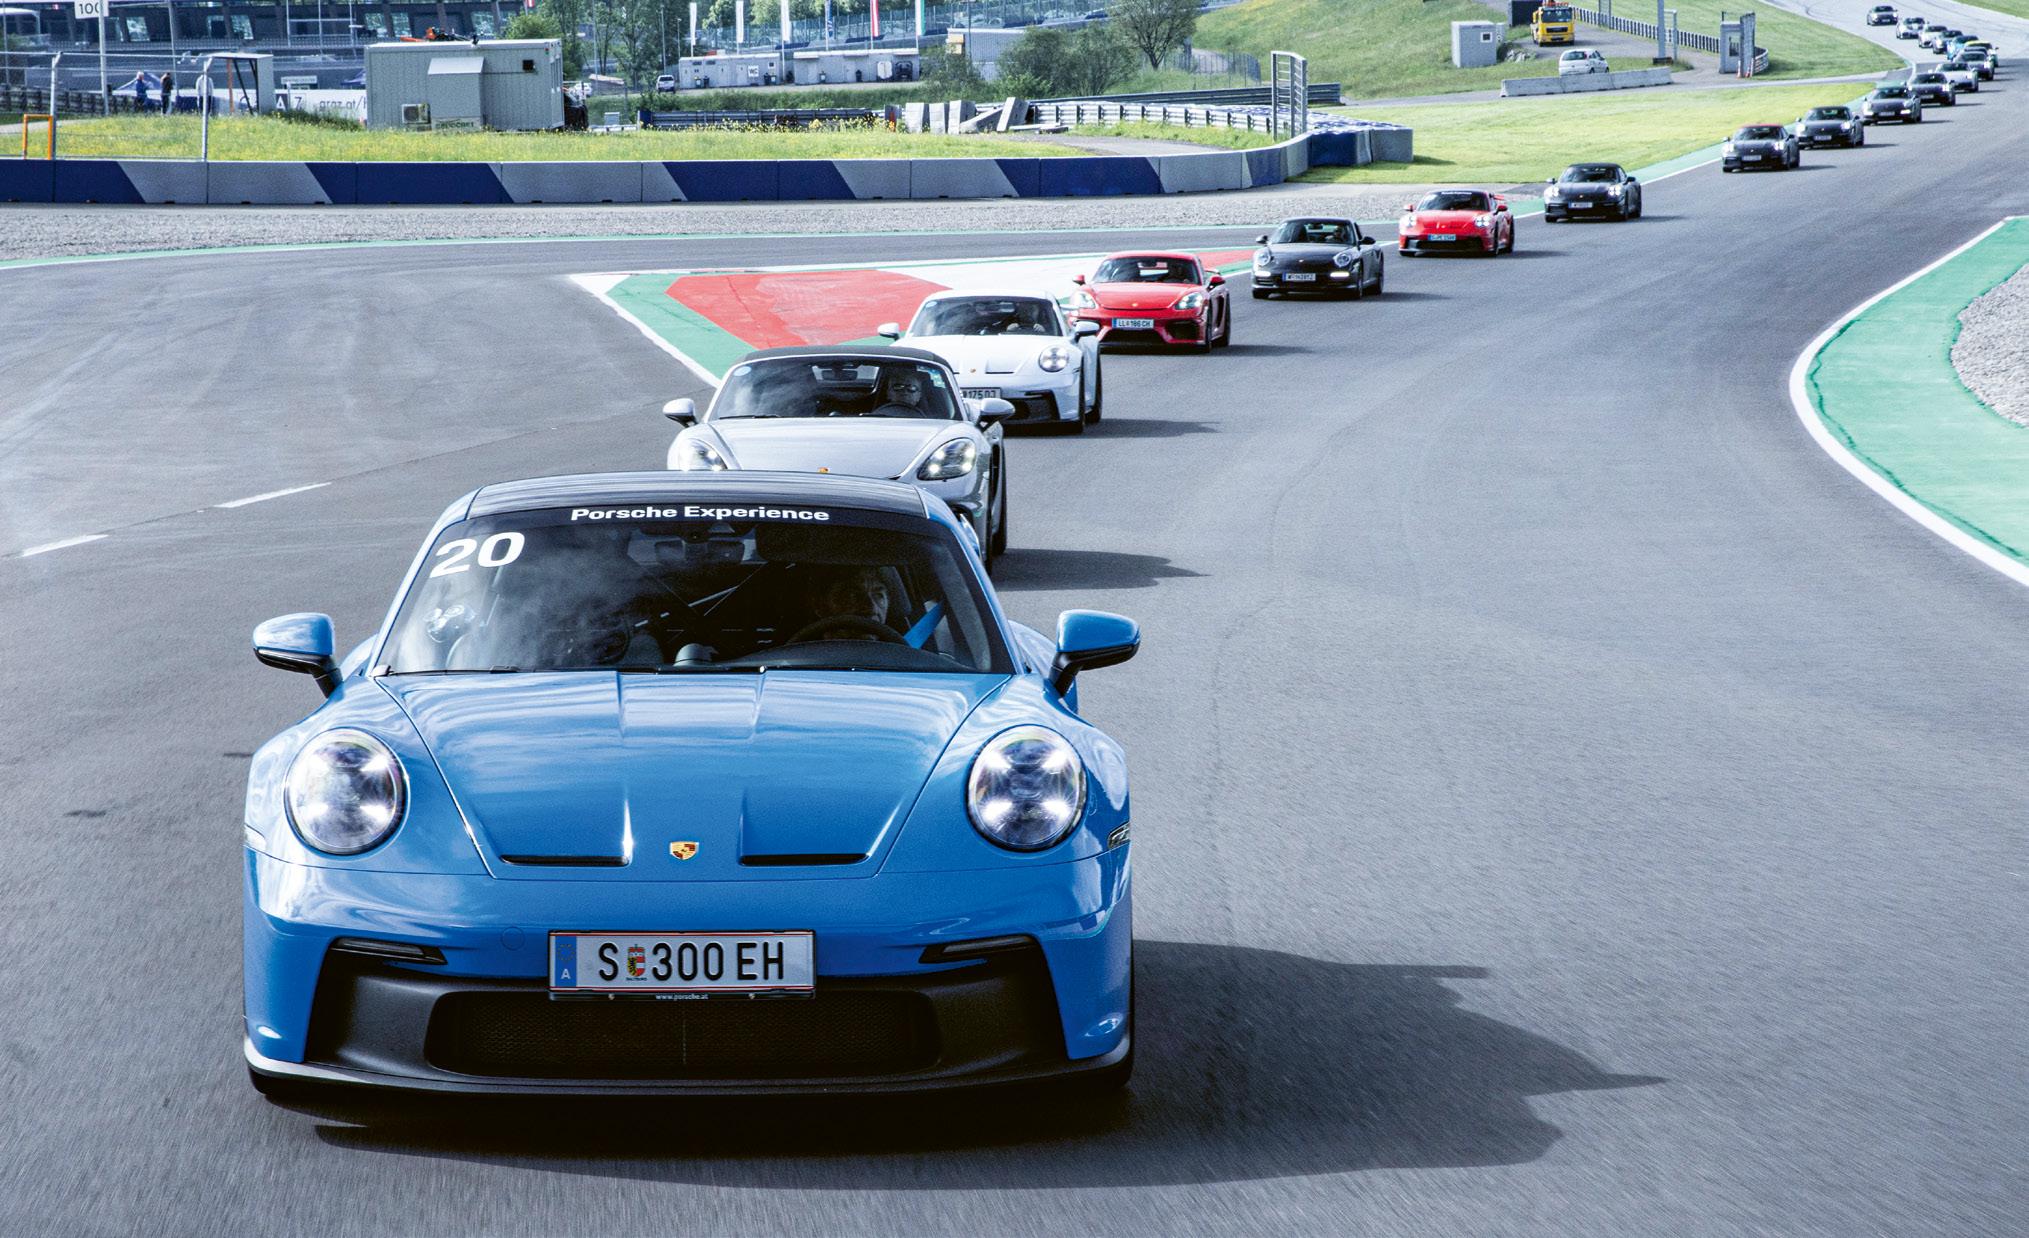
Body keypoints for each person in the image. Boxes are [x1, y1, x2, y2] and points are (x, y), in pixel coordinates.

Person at [798, 566, 894, 641]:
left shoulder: (898, 655)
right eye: (852, 595)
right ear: (820, 606)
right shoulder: (799, 657)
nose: (872, 608)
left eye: (878, 595)